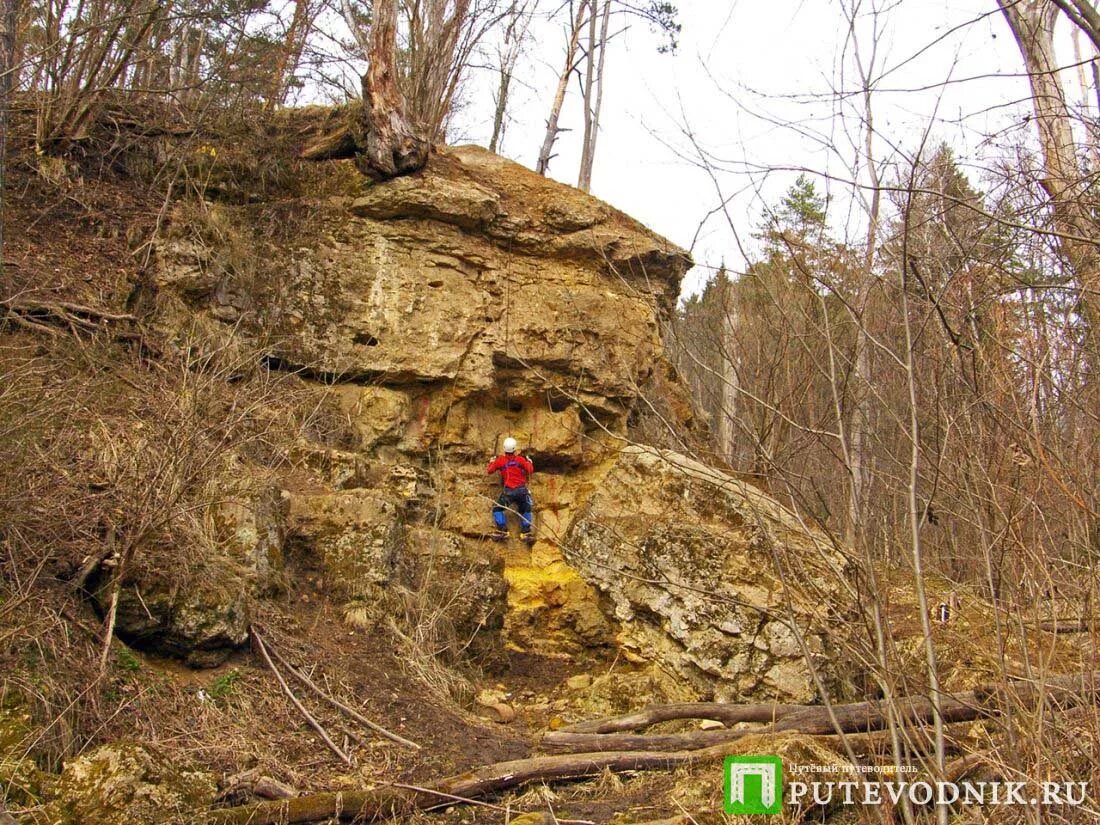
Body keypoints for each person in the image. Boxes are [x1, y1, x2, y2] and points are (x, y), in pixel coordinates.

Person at [487, 436, 534, 542]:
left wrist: (491, 462)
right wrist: (529, 462)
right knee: (526, 508)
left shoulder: (500, 461)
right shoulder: (520, 460)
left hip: (509, 492)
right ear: (515, 449)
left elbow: (490, 470)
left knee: (497, 508)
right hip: (522, 491)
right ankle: (526, 532)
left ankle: (503, 530)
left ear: (504, 448)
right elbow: (530, 470)